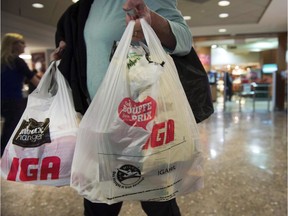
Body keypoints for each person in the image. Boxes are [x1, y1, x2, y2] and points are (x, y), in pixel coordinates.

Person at [52, 0, 192, 215]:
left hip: (149, 124)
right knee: (98, 203)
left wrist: (152, 21)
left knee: (159, 203)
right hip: (99, 125)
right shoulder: (83, 8)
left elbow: (184, 41)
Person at [1, 33, 40, 156]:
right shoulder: (17, 61)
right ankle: (7, 156)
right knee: (14, 129)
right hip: (14, 101)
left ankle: (5, 154)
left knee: (9, 128)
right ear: (13, 45)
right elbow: (35, 80)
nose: (25, 45)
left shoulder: (3, 62)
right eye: (22, 43)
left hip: (3, 101)